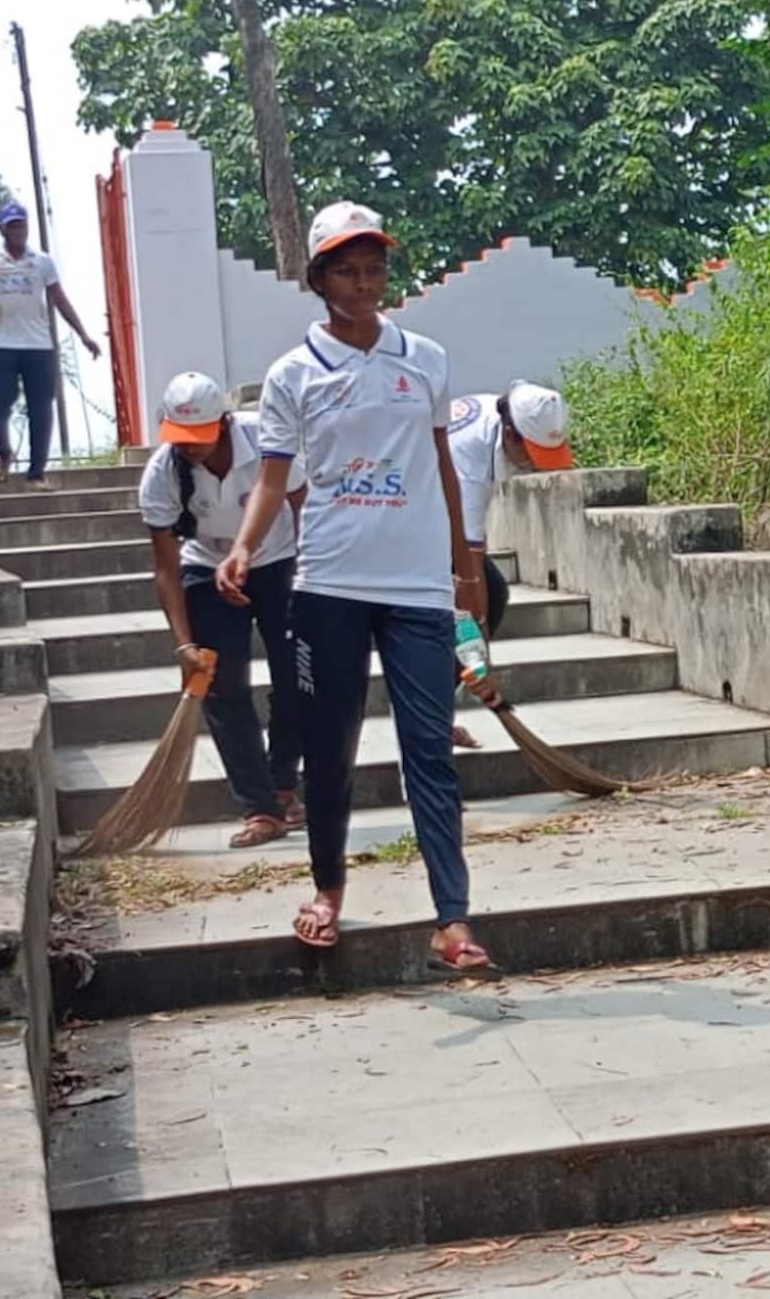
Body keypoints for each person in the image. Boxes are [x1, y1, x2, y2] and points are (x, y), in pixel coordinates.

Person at [217, 200, 495, 971]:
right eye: (346, 268)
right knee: (329, 749)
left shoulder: (425, 359)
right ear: (318, 278)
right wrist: (243, 549)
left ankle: (452, 918)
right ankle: (329, 889)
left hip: (416, 588)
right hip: (329, 584)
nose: (364, 282)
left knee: (429, 751)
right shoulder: (293, 374)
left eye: (374, 267)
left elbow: (441, 465)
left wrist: (464, 567)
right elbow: (273, 480)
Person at [139, 372, 308, 848]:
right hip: (205, 568)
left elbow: (302, 507)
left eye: (201, 438)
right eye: (182, 439)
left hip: (279, 563)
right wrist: (184, 644)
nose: (191, 448)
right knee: (222, 688)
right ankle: (259, 807)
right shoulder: (162, 474)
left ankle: (283, 786)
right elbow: (166, 569)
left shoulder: (264, 439)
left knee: (295, 678)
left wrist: (305, 575)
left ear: (225, 422)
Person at [444, 382, 574, 746]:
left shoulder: (496, 420)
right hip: (406, 525)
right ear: (510, 434)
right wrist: (479, 653)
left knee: (492, 597)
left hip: (438, 515)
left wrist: (477, 654)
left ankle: (439, 710)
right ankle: (430, 720)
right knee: (459, 613)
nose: (534, 464)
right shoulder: (470, 454)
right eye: (531, 453)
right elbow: (466, 569)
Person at [0, 201, 101, 489]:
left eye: (22, 225)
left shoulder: (42, 261)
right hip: (0, 343)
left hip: (38, 344)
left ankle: (36, 472)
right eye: (12, 226)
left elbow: (60, 299)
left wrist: (83, 334)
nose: (18, 231)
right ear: (2, 229)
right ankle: (5, 454)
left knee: (41, 408)